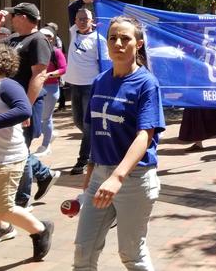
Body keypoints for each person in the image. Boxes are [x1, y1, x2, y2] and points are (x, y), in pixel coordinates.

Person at [73, 16, 164, 270]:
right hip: (100, 175)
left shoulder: (147, 84)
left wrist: (117, 177)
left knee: (131, 255)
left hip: (133, 178)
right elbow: (95, 128)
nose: (118, 43)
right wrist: (92, 167)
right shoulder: (99, 80)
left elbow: (145, 135)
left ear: (139, 44)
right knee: (83, 251)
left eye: (125, 38)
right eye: (113, 38)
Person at [0, 3, 61, 208]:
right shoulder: (13, 39)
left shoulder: (38, 40)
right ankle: (44, 174)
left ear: (22, 17)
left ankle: (21, 201)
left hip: (24, 103)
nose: (11, 19)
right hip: (8, 102)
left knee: (18, 150)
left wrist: (27, 109)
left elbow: (38, 75)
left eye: (14, 15)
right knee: (15, 147)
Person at [0, 44, 54, 259]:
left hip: (5, 158)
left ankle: (40, 229)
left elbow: (23, 109)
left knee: (3, 208)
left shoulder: (6, 85)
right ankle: (6, 228)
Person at [63, 0, 109, 175]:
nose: (82, 22)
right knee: (79, 122)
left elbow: (104, 66)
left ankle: (82, 161)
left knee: (88, 125)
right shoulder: (74, 31)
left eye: (85, 19)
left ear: (92, 21)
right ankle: (98, 139)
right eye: (79, 19)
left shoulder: (99, 40)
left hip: (90, 87)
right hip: (74, 85)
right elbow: (71, 7)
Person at [34, 26, 67, 156]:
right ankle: (50, 134)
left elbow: (63, 69)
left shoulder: (56, 52)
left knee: (45, 118)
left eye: (49, 37)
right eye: (43, 36)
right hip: (35, 86)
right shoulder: (33, 51)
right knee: (37, 117)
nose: (46, 39)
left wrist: (50, 75)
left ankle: (45, 146)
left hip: (51, 87)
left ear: (53, 39)